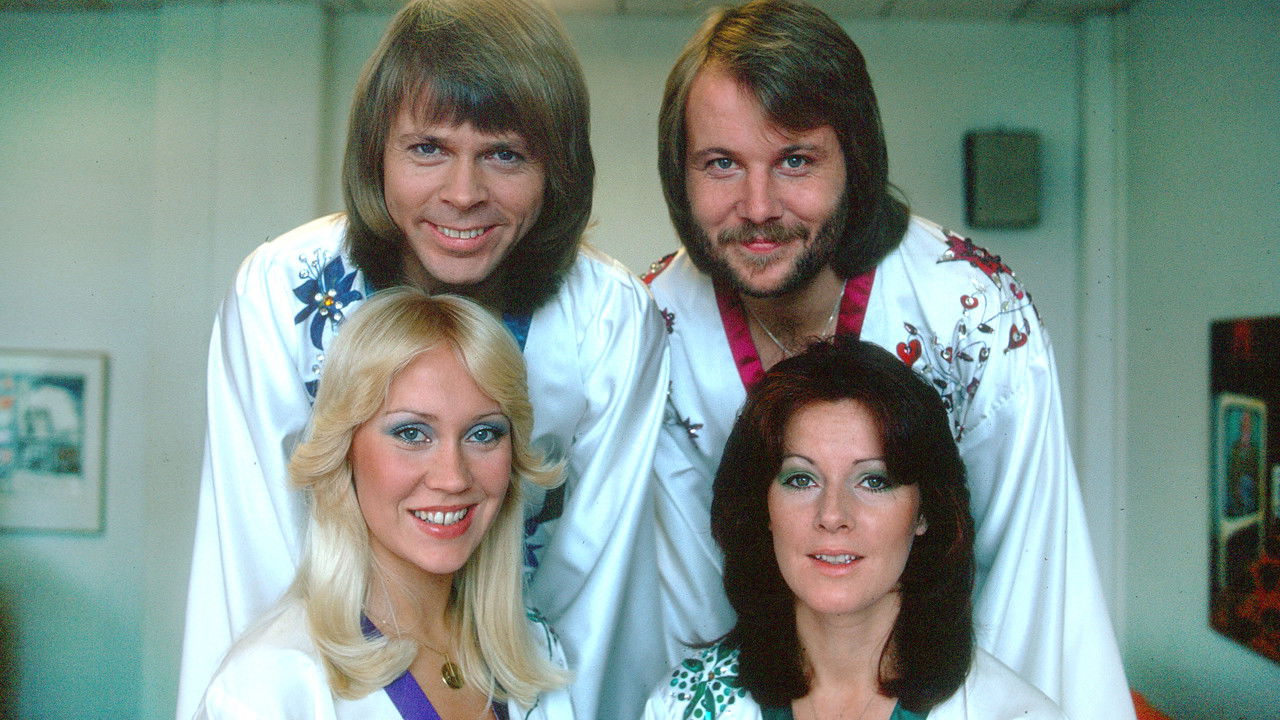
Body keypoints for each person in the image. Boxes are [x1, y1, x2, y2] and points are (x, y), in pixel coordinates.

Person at [177, 2, 668, 718]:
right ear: (377, 153)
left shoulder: (608, 316)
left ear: (556, 169)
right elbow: (252, 561)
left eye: (505, 154)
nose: (463, 195)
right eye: (428, 148)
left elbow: (598, 587)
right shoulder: (280, 291)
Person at [644, 1, 1132, 717]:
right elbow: (685, 598)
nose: (757, 206)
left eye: (796, 160)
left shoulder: (972, 311)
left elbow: (1029, 584)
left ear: (857, 161)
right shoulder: (651, 327)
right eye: (721, 163)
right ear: (679, 175)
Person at [196, 289, 573, 719]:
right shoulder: (271, 686)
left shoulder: (537, 652)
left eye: (483, 434)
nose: (452, 478)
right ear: (344, 451)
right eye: (411, 434)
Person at [644, 340, 1065, 720]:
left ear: (924, 511)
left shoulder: (1016, 714)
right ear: (763, 507)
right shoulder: (681, 707)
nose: (832, 515)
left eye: (874, 481)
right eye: (801, 479)